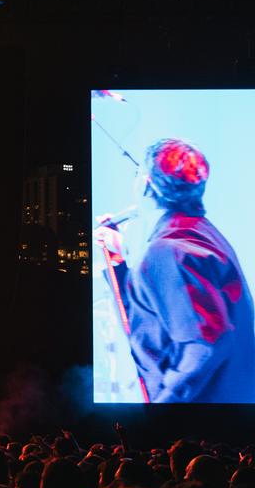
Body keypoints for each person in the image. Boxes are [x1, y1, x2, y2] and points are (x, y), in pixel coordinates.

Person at [96, 138, 255, 403]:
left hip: (196, 426)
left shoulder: (166, 252)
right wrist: (117, 263)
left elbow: (204, 346)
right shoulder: (202, 234)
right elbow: (150, 325)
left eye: (137, 172)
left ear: (147, 186)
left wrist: (163, 410)